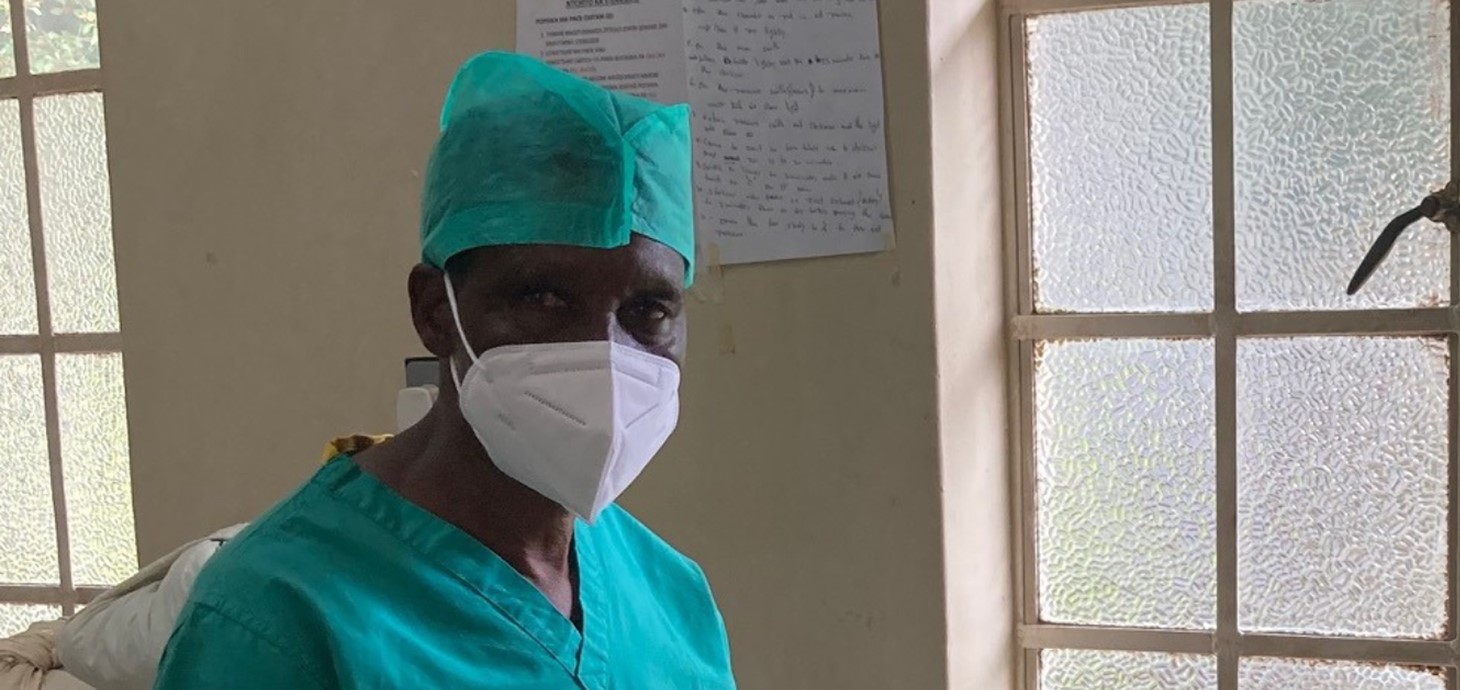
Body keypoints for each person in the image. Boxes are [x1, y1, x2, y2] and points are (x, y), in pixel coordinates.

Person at [152, 51, 736, 689]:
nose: (603, 351)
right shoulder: (277, 622)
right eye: (542, 297)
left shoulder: (669, 596)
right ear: (435, 311)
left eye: (648, 309)